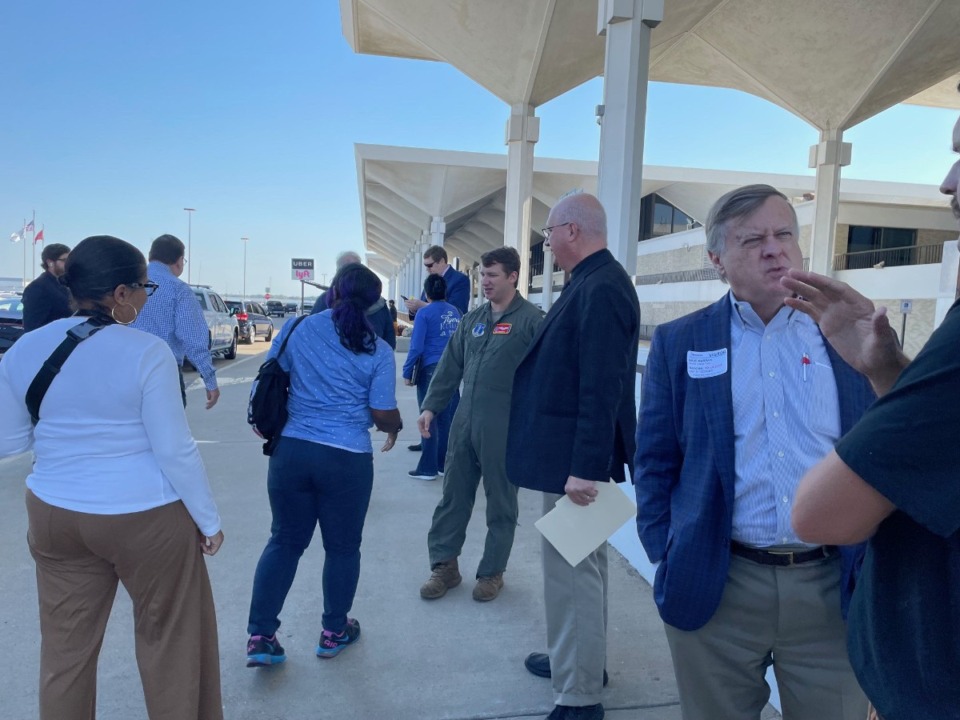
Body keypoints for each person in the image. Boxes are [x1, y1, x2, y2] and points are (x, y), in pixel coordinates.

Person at [634, 184, 874, 720]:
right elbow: (654, 460)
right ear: (717, 260)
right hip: (718, 586)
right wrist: (666, 550)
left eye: (784, 233)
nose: (774, 248)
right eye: (752, 239)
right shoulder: (681, 342)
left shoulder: (847, 336)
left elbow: (885, 443)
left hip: (833, 591)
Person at [0, 235, 224, 720]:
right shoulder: (147, 352)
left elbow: (12, 442)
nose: (148, 297)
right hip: (142, 515)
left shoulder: (24, 349)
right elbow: (175, 449)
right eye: (144, 287)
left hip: (55, 512)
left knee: (65, 654)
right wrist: (208, 520)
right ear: (120, 294)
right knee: (172, 642)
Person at [786, 114, 960, 720]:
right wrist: (888, 372)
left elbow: (819, 512)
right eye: (751, 240)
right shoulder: (686, 339)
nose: (947, 182)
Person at [507, 193, 639, 720]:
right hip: (569, 461)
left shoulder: (601, 287)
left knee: (572, 570)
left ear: (572, 231)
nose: (546, 243)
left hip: (577, 465)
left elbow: (601, 387)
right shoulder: (590, 281)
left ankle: (580, 694)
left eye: (547, 233)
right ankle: (580, 660)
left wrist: (585, 467)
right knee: (582, 565)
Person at [246, 263, 402, 666]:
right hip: (346, 459)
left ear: (332, 292)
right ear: (373, 306)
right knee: (343, 547)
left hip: (292, 453)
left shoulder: (298, 328)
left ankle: (261, 636)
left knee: (283, 541)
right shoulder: (379, 351)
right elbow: (382, 410)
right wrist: (394, 428)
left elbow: (267, 377)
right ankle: (334, 631)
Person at [417, 247, 542, 602]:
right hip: (463, 424)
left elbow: (547, 378)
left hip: (505, 428)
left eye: (492, 275)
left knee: (501, 503)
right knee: (452, 498)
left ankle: (491, 572)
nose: (484, 282)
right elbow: (449, 366)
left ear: (513, 277)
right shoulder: (473, 320)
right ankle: (445, 567)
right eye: (481, 276)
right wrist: (431, 408)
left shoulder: (532, 322)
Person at [133, 234, 220, 409]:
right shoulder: (178, 290)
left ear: (150, 256)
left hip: (123, 370)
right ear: (179, 261)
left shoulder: (127, 284)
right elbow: (193, 339)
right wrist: (210, 380)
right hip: (162, 374)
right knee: (167, 432)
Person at [403, 273, 462, 481]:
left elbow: (416, 346)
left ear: (427, 293)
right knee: (446, 419)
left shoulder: (424, 313)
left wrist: (407, 372)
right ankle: (442, 464)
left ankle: (427, 468)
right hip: (452, 369)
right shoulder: (456, 312)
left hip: (430, 369)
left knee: (428, 418)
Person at [311, 250, 396, 349]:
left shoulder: (325, 300)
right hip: (370, 362)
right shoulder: (379, 303)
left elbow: (310, 338)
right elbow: (390, 343)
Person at [404, 244, 470, 318]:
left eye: (430, 265)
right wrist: (413, 309)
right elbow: (422, 306)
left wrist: (424, 305)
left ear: (441, 261)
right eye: (426, 266)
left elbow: (458, 311)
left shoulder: (460, 279)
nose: (427, 269)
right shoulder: (431, 280)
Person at [22, 243, 71, 331]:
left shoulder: (64, 284)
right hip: (49, 341)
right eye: (64, 260)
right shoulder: (37, 287)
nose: (68, 263)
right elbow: (32, 326)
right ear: (50, 262)